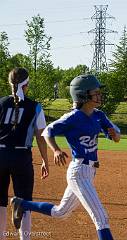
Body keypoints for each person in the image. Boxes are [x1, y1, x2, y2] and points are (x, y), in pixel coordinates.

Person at [10, 74, 120, 240]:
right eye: (95, 92)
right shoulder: (72, 118)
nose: (99, 95)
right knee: (101, 218)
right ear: (83, 95)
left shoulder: (99, 115)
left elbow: (116, 136)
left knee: (60, 212)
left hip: (90, 172)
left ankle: (21, 204)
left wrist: (115, 135)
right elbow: (47, 131)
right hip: (79, 172)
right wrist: (55, 150)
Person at [0, 67, 49, 240]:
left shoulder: (0, 103)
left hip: (0, 155)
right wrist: (45, 161)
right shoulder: (34, 107)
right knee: (24, 201)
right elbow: (41, 137)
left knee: (0, 203)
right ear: (26, 84)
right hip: (21, 157)